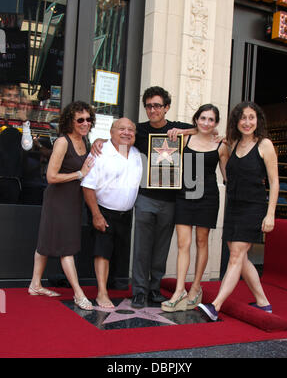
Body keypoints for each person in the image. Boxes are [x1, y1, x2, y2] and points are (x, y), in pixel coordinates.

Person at [91, 86, 197, 309]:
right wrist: (99, 139)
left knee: (161, 248)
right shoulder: (138, 130)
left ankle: (154, 289)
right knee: (141, 247)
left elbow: (203, 130)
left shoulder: (178, 128)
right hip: (145, 197)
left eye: (157, 105)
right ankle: (139, 292)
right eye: (149, 106)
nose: (153, 110)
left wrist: (182, 133)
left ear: (166, 107)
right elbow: (119, 136)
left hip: (171, 199)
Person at [197, 101, 279, 321]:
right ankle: (263, 302)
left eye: (251, 117)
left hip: (254, 207)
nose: (247, 122)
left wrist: (270, 214)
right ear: (236, 121)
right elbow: (208, 139)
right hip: (233, 206)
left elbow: (274, 181)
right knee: (240, 258)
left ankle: (216, 306)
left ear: (258, 120)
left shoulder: (265, 145)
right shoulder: (231, 144)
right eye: (243, 118)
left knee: (235, 256)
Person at [161, 104, 229, 312]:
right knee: (183, 243)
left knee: (201, 241)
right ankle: (179, 289)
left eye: (211, 120)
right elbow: (166, 160)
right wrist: (182, 131)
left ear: (216, 123)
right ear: (196, 119)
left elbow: (227, 176)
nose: (206, 123)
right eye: (203, 118)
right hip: (185, 193)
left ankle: (196, 287)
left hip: (208, 196)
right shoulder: (185, 139)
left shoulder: (221, 145)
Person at [28, 101, 95, 311]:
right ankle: (79, 293)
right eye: (80, 120)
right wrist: (79, 174)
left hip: (73, 200)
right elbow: (50, 176)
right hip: (58, 200)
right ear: (70, 121)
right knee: (67, 247)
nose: (86, 123)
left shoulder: (85, 140)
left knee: (45, 240)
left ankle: (35, 284)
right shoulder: (62, 142)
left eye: (88, 119)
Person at [82, 118, 143, 308]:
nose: (127, 132)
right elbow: (87, 186)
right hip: (103, 210)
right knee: (103, 253)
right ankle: (101, 293)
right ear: (111, 132)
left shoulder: (135, 153)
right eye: (122, 129)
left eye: (131, 130)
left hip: (125, 214)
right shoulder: (100, 152)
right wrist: (96, 214)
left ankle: (109, 286)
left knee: (115, 253)